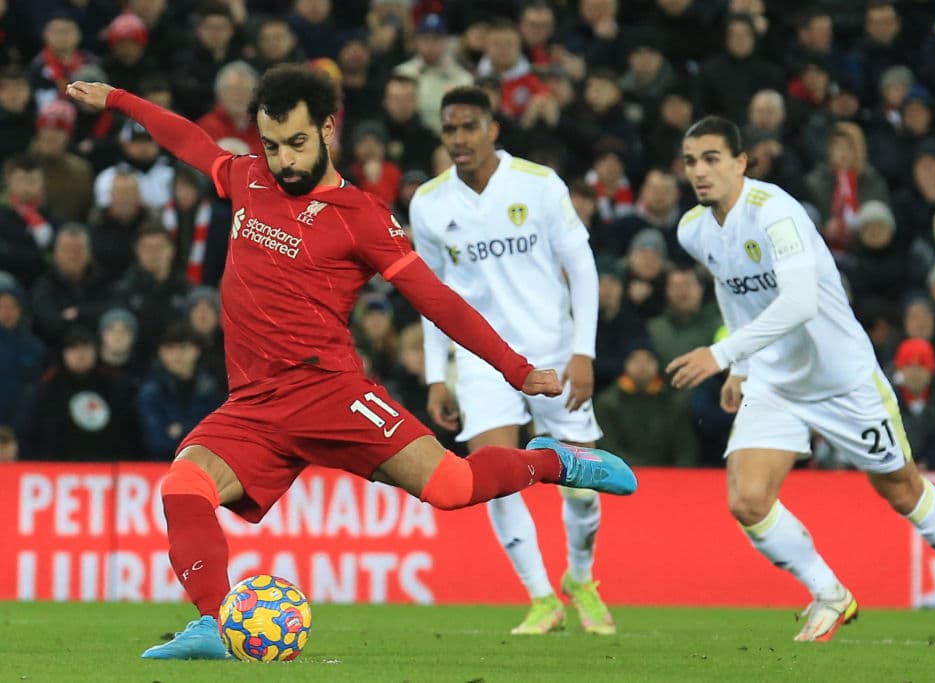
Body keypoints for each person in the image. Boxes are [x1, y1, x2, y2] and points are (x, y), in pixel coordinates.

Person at [66, 64, 635, 660]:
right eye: (271, 145)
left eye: (297, 143)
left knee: (451, 485)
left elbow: (438, 302)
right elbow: (188, 139)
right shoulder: (248, 178)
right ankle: (213, 623)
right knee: (184, 484)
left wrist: (516, 369)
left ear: (328, 129)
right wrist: (119, 99)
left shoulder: (361, 217)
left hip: (328, 393)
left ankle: (553, 461)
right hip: (254, 405)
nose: (283, 160)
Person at [667, 115, 935, 645]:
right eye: (690, 161)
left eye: (711, 159)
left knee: (902, 489)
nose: (700, 172)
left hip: (841, 378)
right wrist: (743, 366)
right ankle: (829, 593)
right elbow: (731, 289)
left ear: (740, 162)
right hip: (775, 379)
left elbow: (798, 302)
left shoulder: (776, 212)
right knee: (747, 500)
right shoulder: (694, 230)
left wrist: (721, 351)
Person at [410, 86, 614, 636]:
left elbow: (584, 268)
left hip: (553, 350)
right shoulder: (429, 202)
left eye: (468, 127)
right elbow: (429, 296)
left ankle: (582, 579)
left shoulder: (539, 184)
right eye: (449, 129)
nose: (458, 139)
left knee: (582, 482)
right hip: (481, 361)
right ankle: (542, 598)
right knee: (492, 475)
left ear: (492, 129)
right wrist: (436, 375)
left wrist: (584, 352)